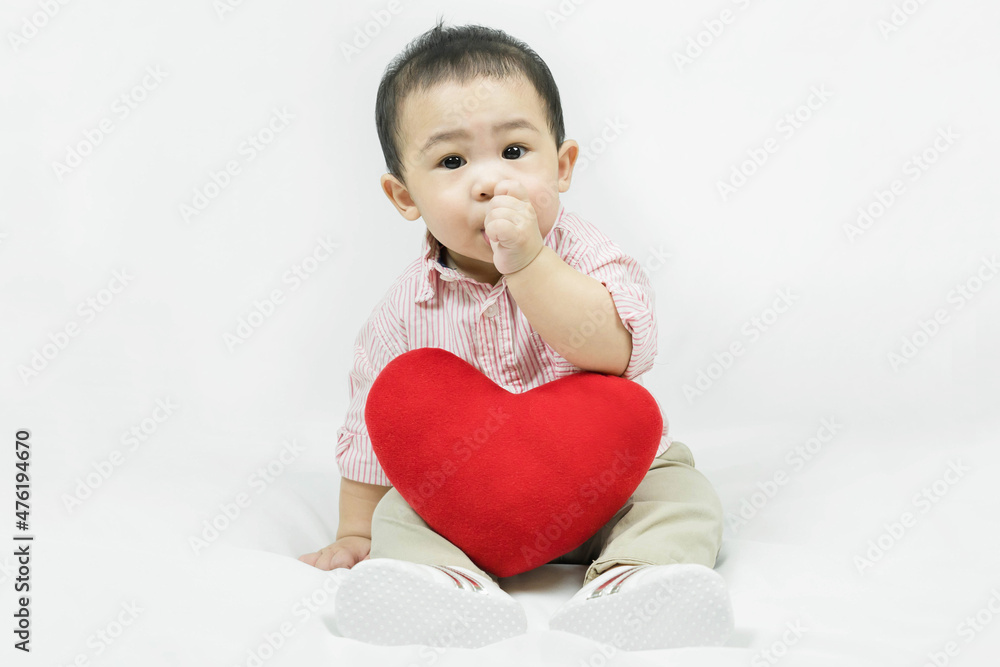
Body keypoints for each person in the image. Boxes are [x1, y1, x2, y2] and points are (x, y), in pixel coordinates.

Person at [298, 18, 734, 650]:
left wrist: (529, 264)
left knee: (682, 495)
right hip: (470, 501)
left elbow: (617, 351)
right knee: (401, 514)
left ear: (562, 166)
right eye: (452, 161)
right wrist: (357, 533)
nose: (490, 181)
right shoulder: (403, 311)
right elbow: (372, 426)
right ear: (404, 196)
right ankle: (443, 587)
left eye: (514, 152)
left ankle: (637, 578)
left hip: (612, 476)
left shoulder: (591, 257)